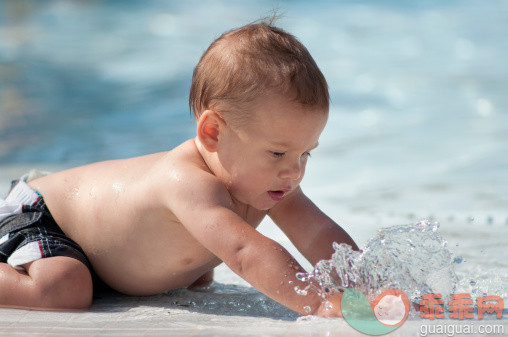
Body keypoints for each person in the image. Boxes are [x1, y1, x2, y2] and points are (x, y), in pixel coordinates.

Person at [0, 21, 358, 316]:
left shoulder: (272, 179)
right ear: (213, 132)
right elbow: (246, 253)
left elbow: (318, 233)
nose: (293, 172)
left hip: (110, 263)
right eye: (278, 152)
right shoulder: (186, 181)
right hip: (45, 215)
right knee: (63, 291)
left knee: (197, 276)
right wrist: (318, 301)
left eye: (305, 154)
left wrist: (368, 286)